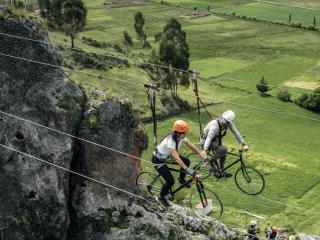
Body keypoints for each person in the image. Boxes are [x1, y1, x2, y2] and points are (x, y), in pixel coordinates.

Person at [151, 120, 207, 207]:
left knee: (187, 161)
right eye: (184, 133)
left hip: (167, 157)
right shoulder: (170, 142)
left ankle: (181, 179)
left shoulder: (181, 137)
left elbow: (191, 146)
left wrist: (200, 153)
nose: (186, 134)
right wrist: (187, 169)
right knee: (170, 181)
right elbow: (177, 158)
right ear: (178, 133)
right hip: (158, 161)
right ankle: (161, 197)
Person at [199, 110, 249, 178]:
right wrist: (205, 150)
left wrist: (243, 144)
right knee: (223, 149)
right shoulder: (214, 125)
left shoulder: (228, 123)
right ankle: (208, 162)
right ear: (222, 117)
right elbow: (209, 138)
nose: (225, 123)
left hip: (214, 140)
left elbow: (236, 132)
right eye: (225, 120)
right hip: (205, 141)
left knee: (224, 152)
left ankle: (221, 170)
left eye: (227, 122)